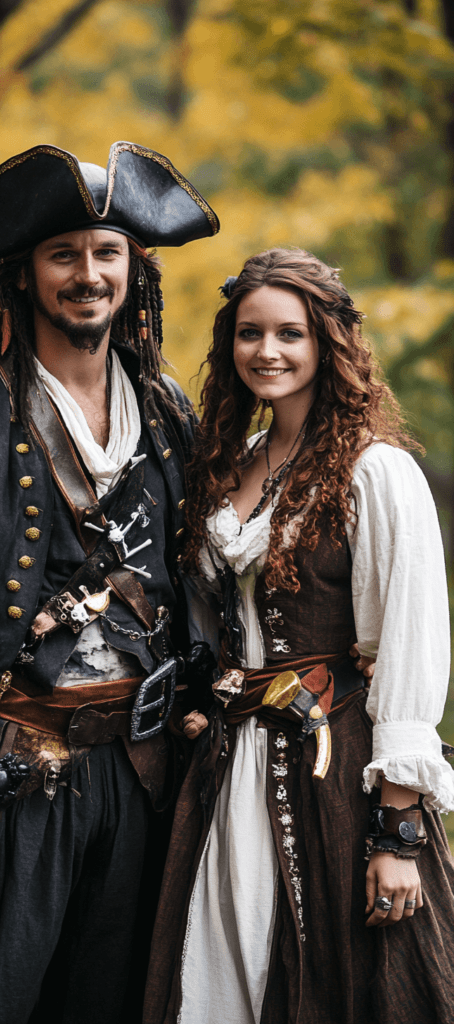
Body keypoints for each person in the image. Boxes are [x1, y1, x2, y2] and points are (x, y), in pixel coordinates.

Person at [0, 142, 219, 1024]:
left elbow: (195, 586)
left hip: (143, 776)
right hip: (5, 778)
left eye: (107, 254)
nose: (88, 274)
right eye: (63, 254)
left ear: (133, 273)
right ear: (23, 276)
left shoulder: (171, 413)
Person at [143, 247, 454, 1024]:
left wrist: (399, 829)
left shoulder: (377, 473)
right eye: (250, 334)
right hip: (226, 767)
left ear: (327, 343)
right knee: (220, 974)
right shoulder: (231, 465)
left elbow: (411, 646)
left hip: (333, 768)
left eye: (290, 333)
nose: (268, 352)